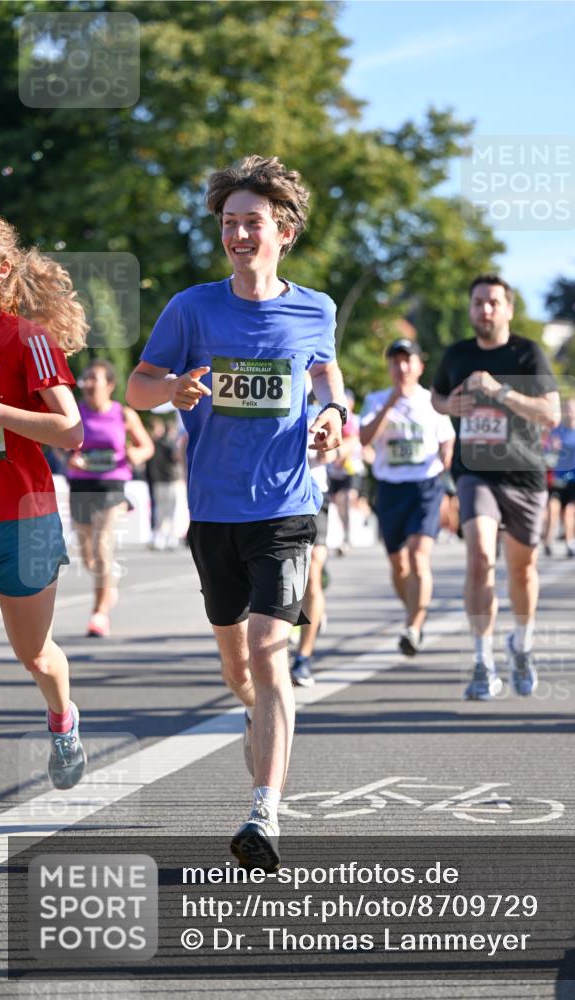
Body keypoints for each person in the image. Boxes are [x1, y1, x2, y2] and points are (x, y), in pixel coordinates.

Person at [125, 155, 346, 872]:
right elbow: (137, 387)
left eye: (253, 223)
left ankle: (264, 811)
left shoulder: (315, 308)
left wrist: (334, 414)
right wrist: (172, 390)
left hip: (286, 507)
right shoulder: (192, 308)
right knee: (236, 662)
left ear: (284, 232)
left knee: (268, 649)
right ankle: (257, 714)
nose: (239, 235)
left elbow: (324, 371)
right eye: (229, 223)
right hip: (214, 511)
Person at [0, 216, 87, 788]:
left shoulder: (27, 340)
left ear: (1, 271)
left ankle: (62, 717)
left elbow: (71, 432)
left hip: (23, 522)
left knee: (35, 656)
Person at [432, 275, 560, 700]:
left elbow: (551, 414)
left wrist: (500, 391)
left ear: (508, 309)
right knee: (480, 557)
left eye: (492, 303)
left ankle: (521, 644)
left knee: (522, 569)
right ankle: (482, 660)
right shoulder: (457, 354)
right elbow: (436, 397)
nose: (484, 310)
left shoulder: (527, 353)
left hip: (523, 473)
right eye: (478, 303)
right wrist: (449, 405)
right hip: (475, 472)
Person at [360, 338, 455, 656]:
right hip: (390, 489)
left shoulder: (432, 401)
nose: (401, 367)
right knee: (398, 564)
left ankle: (413, 627)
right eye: (395, 362)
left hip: (425, 486)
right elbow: (364, 438)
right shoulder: (375, 400)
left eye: (407, 361)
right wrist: (390, 403)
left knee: (417, 556)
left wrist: (446, 452)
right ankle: (414, 611)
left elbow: (447, 437)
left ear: (419, 366)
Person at [67, 359, 153, 637]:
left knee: (102, 547)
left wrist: (135, 454)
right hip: (81, 485)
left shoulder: (123, 414)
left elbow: (146, 446)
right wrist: (69, 458)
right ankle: (108, 581)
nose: (89, 384)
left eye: (95, 378)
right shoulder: (74, 412)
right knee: (88, 556)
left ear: (110, 385)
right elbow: (58, 445)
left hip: (112, 486)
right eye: (86, 379)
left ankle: (99, 613)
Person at [290, 384, 334, 688]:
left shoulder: (322, 405)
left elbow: (333, 453)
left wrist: (326, 442)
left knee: (312, 575)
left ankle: (303, 658)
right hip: (275, 500)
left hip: (315, 498)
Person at [543, 397, 575, 558]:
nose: (570, 412)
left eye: (572, 408)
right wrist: (552, 448)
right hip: (561, 475)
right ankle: (568, 542)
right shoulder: (557, 431)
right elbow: (547, 453)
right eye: (567, 408)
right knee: (561, 508)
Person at [326, 388, 363, 554]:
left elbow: (355, 441)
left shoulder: (354, 420)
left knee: (347, 498)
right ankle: (341, 535)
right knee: (337, 504)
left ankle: (347, 537)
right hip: (334, 471)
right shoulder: (332, 417)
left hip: (351, 469)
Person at [146, 415, 185, 551]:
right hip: (171, 480)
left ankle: (159, 538)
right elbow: (176, 457)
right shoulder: (169, 444)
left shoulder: (154, 443)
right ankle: (170, 538)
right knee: (172, 511)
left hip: (158, 480)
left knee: (160, 511)